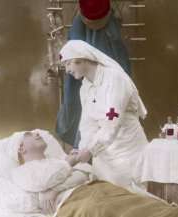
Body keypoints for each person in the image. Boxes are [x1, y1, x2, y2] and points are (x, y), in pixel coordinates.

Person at [59, 40, 148, 191]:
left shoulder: (115, 79)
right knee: (107, 197)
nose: (66, 70)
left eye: (68, 64)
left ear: (81, 59)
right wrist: (82, 148)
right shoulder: (85, 87)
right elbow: (88, 124)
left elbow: (112, 121)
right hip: (103, 155)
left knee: (132, 197)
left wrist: (90, 150)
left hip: (127, 150)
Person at [55, 0, 131, 149]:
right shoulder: (79, 30)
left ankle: (96, 144)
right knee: (80, 94)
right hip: (87, 17)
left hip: (105, 18)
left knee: (107, 96)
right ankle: (85, 145)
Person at [6, 130, 92, 215]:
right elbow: (43, 183)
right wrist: (69, 163)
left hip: (87, 194)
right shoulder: (20, 172)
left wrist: (53, 190)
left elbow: (84, 174)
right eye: (29, 135)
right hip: (72, 207)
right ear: (21, 148)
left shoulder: (57, 161)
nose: (37, 133)